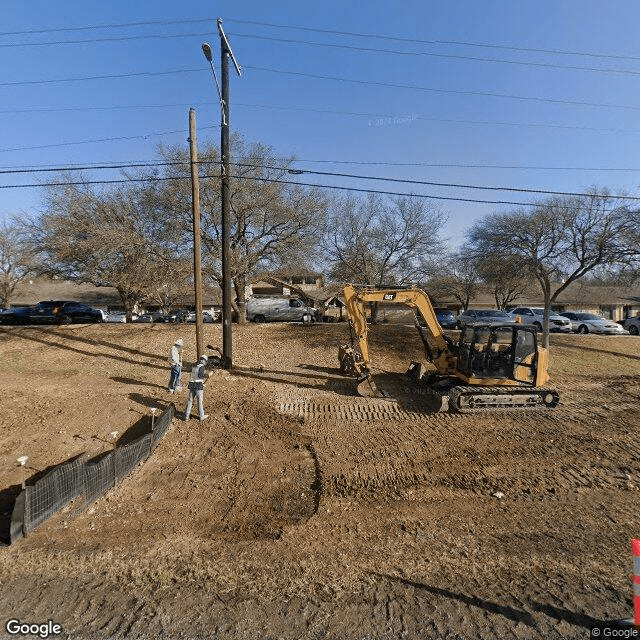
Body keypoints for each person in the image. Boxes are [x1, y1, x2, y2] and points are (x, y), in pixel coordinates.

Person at [183, 355, 211, 421]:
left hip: (192, 385)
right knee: (199, 401)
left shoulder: (194, 366)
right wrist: (208, 375)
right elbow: (200, 375)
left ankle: (186, 416)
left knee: (190, 400)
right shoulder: (201, 367)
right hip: (198, 386)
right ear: (204, 361)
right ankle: (201, 415)